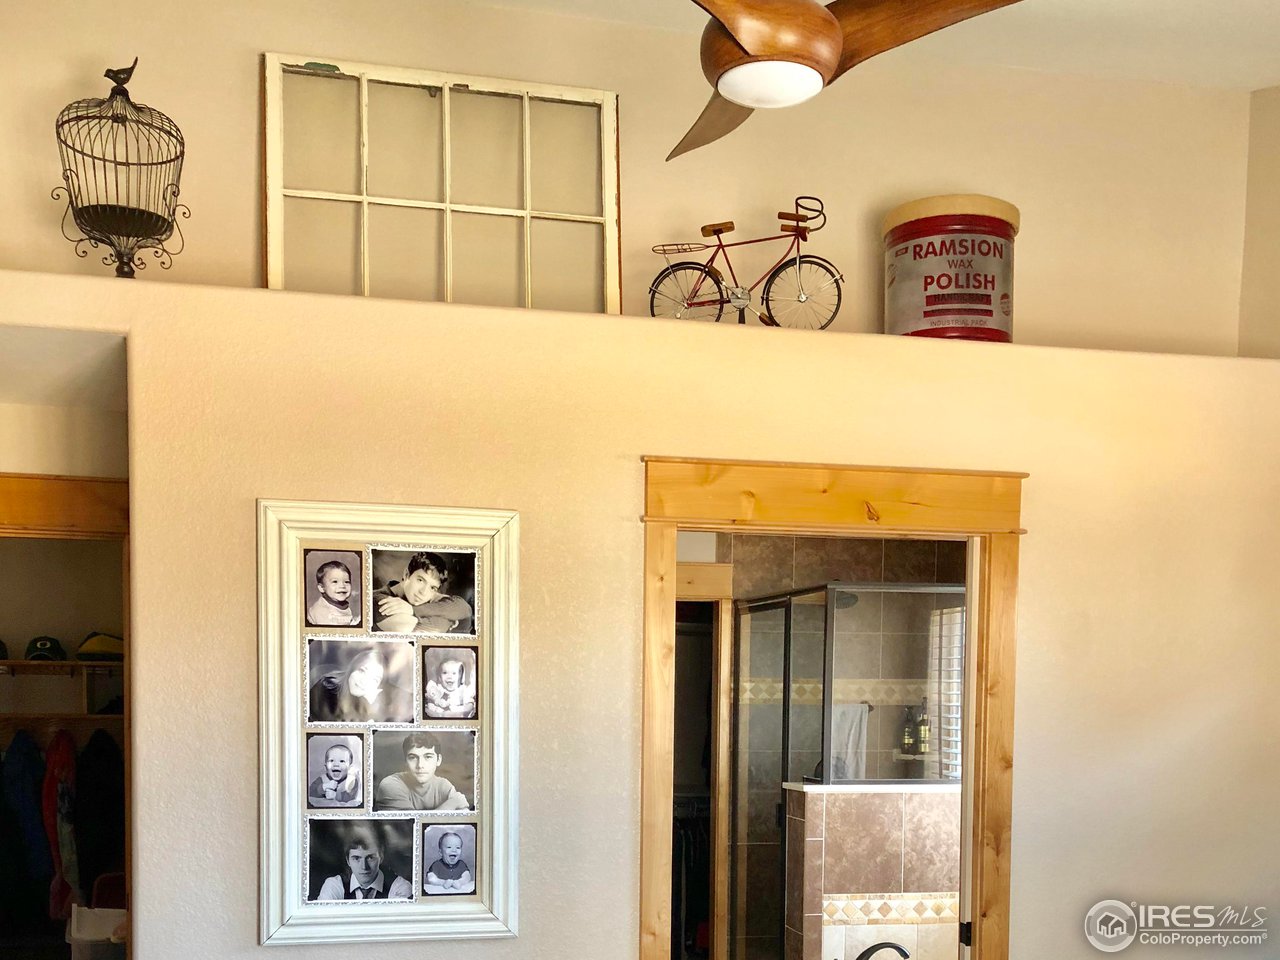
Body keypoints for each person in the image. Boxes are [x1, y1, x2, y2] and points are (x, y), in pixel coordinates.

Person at [372, 551, 472, 633]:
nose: (423, 592)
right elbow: (409, 629)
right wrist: (448, 622)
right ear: (406, 574)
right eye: (420, 580)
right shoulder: (377, 599)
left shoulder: (423, 597)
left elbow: (464, 609)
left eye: (432, 587)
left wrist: (413, 610)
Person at [309, 646, 413, 723]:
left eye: (374, 679)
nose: (364, 681)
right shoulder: (325, 688)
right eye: (362, 671)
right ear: (352, 669)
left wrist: (370, 705)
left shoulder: (381, 705)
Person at [374, 732, 470, 811]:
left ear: (438, 760)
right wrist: (452, 803)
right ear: (405, 761)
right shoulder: (390, 784)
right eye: (413, 758)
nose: (420, 765)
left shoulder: (443, 785)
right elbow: (412, 827)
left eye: (428, 757)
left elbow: (464, 819)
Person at [316, 830, 412, 900]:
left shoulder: (399, 886)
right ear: (348, 861)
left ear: (381, 858)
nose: (364, 867)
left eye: (370, 858)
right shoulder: (334, 885)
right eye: (356, 858)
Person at [308, 559, 358, 626]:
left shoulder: (340, 605)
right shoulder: (321, 612)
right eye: (335, 581)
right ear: (322, 588)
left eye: (346, 582)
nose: (342, 586)